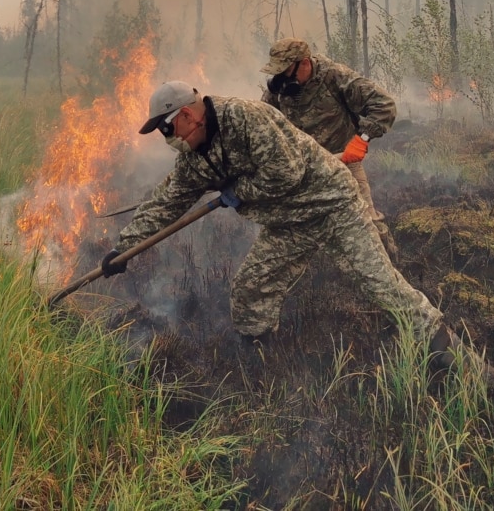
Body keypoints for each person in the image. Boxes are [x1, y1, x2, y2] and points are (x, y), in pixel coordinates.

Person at [100, 80, 463, 371]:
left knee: (380, 284)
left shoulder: (243, 118)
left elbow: (286, 173)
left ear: (187, 115)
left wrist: (238, 190)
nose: (168, 138)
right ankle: (262, 367)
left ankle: (453, 358)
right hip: (291, 222)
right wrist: (125, 247)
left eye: (167, 128)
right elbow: (168, 200)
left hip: (332, 204)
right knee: (251, 290)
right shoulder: (195, 158)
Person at [261, 38, 399, 262]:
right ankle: (321, 281)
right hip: (302, 170)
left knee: (368, 224)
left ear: (304, 63)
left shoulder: (335, 77)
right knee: (290, 232)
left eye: (286, 71)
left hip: (342, 163)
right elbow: (264, 121)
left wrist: (361, 140)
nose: (283, 79)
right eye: (278, 72)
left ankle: (394, 272)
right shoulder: (280, 87)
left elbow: (384, 105)